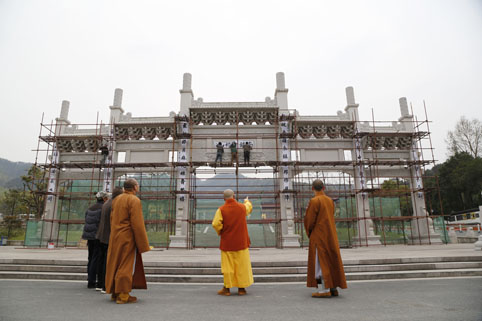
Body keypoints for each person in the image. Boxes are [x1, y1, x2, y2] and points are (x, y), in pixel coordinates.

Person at [105, 179, 150, 304]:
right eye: (138, 186)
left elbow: (112, 218)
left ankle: (115, 292)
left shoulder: (116, 199)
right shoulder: (134, 200)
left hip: (115, 235)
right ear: (135, 187)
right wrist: (143, 243)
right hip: (127, 236)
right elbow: (137, 223)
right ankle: (124, 295)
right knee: (126, 264)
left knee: (115, 263)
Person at [304, 179, 347, 298]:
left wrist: (310, 232)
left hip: (319, 235)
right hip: (330, 234)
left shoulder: (314, 201)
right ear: (324, 188)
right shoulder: (330, 201)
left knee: (320, 261)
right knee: (331, 258)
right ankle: (333, 287)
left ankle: (325, 289)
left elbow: (310, 220)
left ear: (312, 188)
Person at [212, 189, 253, 296]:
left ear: (223, 198)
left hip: (227, 243)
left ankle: (227, 289)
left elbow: (216, 224)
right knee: (241, 266)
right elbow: (248, 207)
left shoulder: (221, 210)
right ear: (234, 196)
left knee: (228, 267)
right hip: (241, 242)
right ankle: (241, 289)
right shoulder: (242, 207)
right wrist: (246, 201)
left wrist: (221, 231)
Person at [96, 187, 123, 293]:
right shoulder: (114, 204)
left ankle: (100, 283)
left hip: (102, 236)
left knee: (101, 260)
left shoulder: (107, 203)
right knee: (108, 262)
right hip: (109, 237)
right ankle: (105, 285)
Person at [82, 191, 109, 289]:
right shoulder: (103, 208)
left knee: (90, 258)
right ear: (104, 199)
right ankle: (94, 281)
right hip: (97, 236)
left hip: (89, 236)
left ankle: (90, 279)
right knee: (96, 258)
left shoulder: (90, 208)